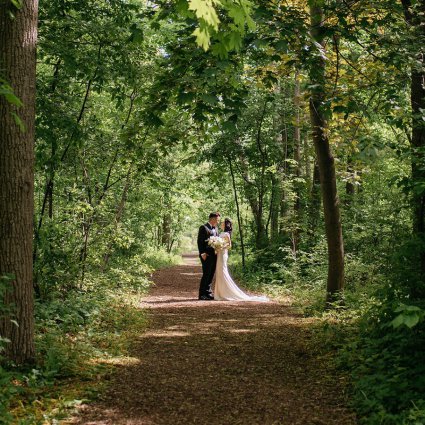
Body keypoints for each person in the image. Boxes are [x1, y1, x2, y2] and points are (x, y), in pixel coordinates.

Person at [215, 218, 269, 302]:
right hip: (219, 254)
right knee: (218, 271)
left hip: (223, 254)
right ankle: (220, 293)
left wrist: (221, 246)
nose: (221, 224)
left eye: (222, 223)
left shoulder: (227, 234)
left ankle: (226, 292)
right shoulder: (221, 233)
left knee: (222, 271)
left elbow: (229, 245)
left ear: (226, 224)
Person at [197, 212, 221, 300]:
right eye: (217, 220)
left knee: (211, 274)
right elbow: (200, 241)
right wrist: (202, 253)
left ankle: (208, 293)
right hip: (206, 255)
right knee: (206, 274)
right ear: (212, 219)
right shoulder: (203, 227)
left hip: (214, 255)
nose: (218, 221)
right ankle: (202, 294)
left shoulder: (216, 229)